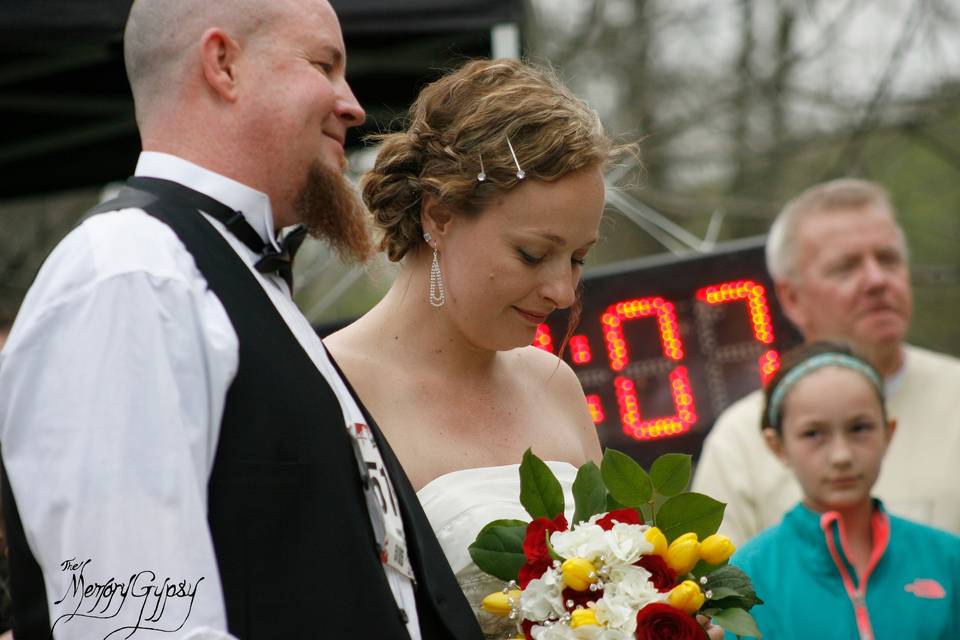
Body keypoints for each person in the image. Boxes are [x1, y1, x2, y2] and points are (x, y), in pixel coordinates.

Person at [0, 1, 482, 639]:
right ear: (223, 64)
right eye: (324, 65)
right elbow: (135, 626)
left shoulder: (234, 274)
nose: (353, 105)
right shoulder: (131, 275)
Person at [325, 59, 723, 640]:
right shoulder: (333, 391)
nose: (562, 291)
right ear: (439, 217)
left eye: (579, 258)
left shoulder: (554, 382)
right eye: (534, 254)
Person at [693, 179, 960, 545]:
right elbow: (718, 593)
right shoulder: (741, 440)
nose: (877, 280)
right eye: (846, 267)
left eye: (888, 259)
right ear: (792, 298)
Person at [724, 342, 960, 640]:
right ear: (778, 446)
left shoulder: (949, 560)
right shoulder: (747, 578)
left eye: (859, 428)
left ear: (888, 433)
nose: (841, 456)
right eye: (813, 434)